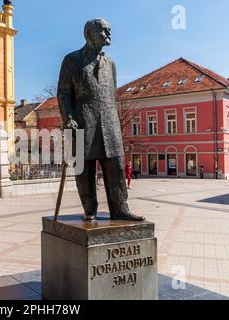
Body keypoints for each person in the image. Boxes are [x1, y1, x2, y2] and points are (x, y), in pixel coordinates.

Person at [57, 18, 145, 222]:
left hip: (109, 122)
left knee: (117, 165)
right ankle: (90, 210)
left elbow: (111, 94)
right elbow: (63, 94)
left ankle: (120, 209)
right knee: (84, 169)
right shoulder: (72, 60)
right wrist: (68, 118)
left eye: (109, 30)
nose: (109, 34)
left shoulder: (110, 63)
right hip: (82, 122)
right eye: (104, 30)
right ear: (89, 34)